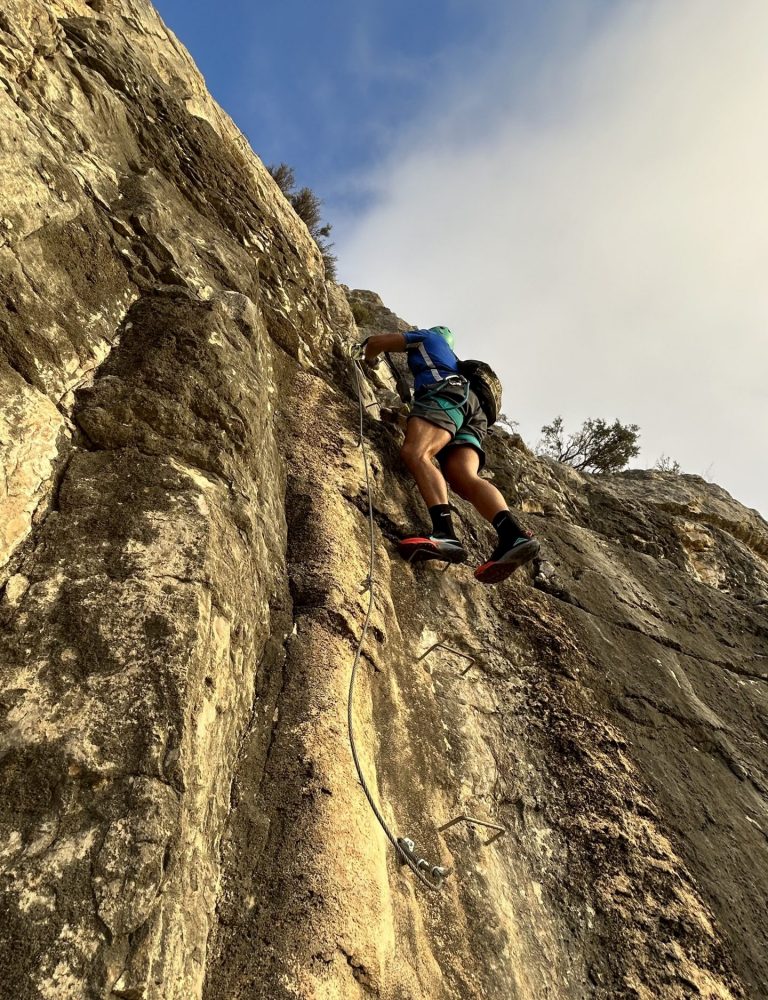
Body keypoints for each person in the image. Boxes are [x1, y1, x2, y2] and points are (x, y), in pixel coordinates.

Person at [355, 326, 540, 584]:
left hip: (446, 394)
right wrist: (399, 419)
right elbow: (439, 424)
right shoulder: (452, 364)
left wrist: (365, 357)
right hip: (473, 413)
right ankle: (513, 535)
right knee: (464, 476)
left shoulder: (428, 338)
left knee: (416, 453)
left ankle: (445, 533)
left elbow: (377, 342)